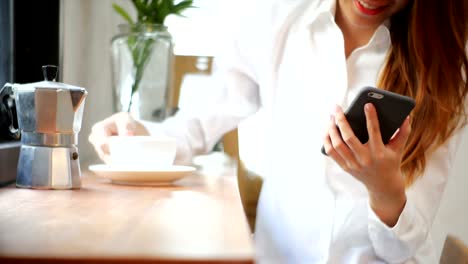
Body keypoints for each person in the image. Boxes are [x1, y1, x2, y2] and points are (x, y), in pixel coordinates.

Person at [89, 0, 468, 262]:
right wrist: (138, 136)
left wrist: (385, 193)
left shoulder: (442, 76)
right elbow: (199, 124)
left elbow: (403, 249)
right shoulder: (281, 22)